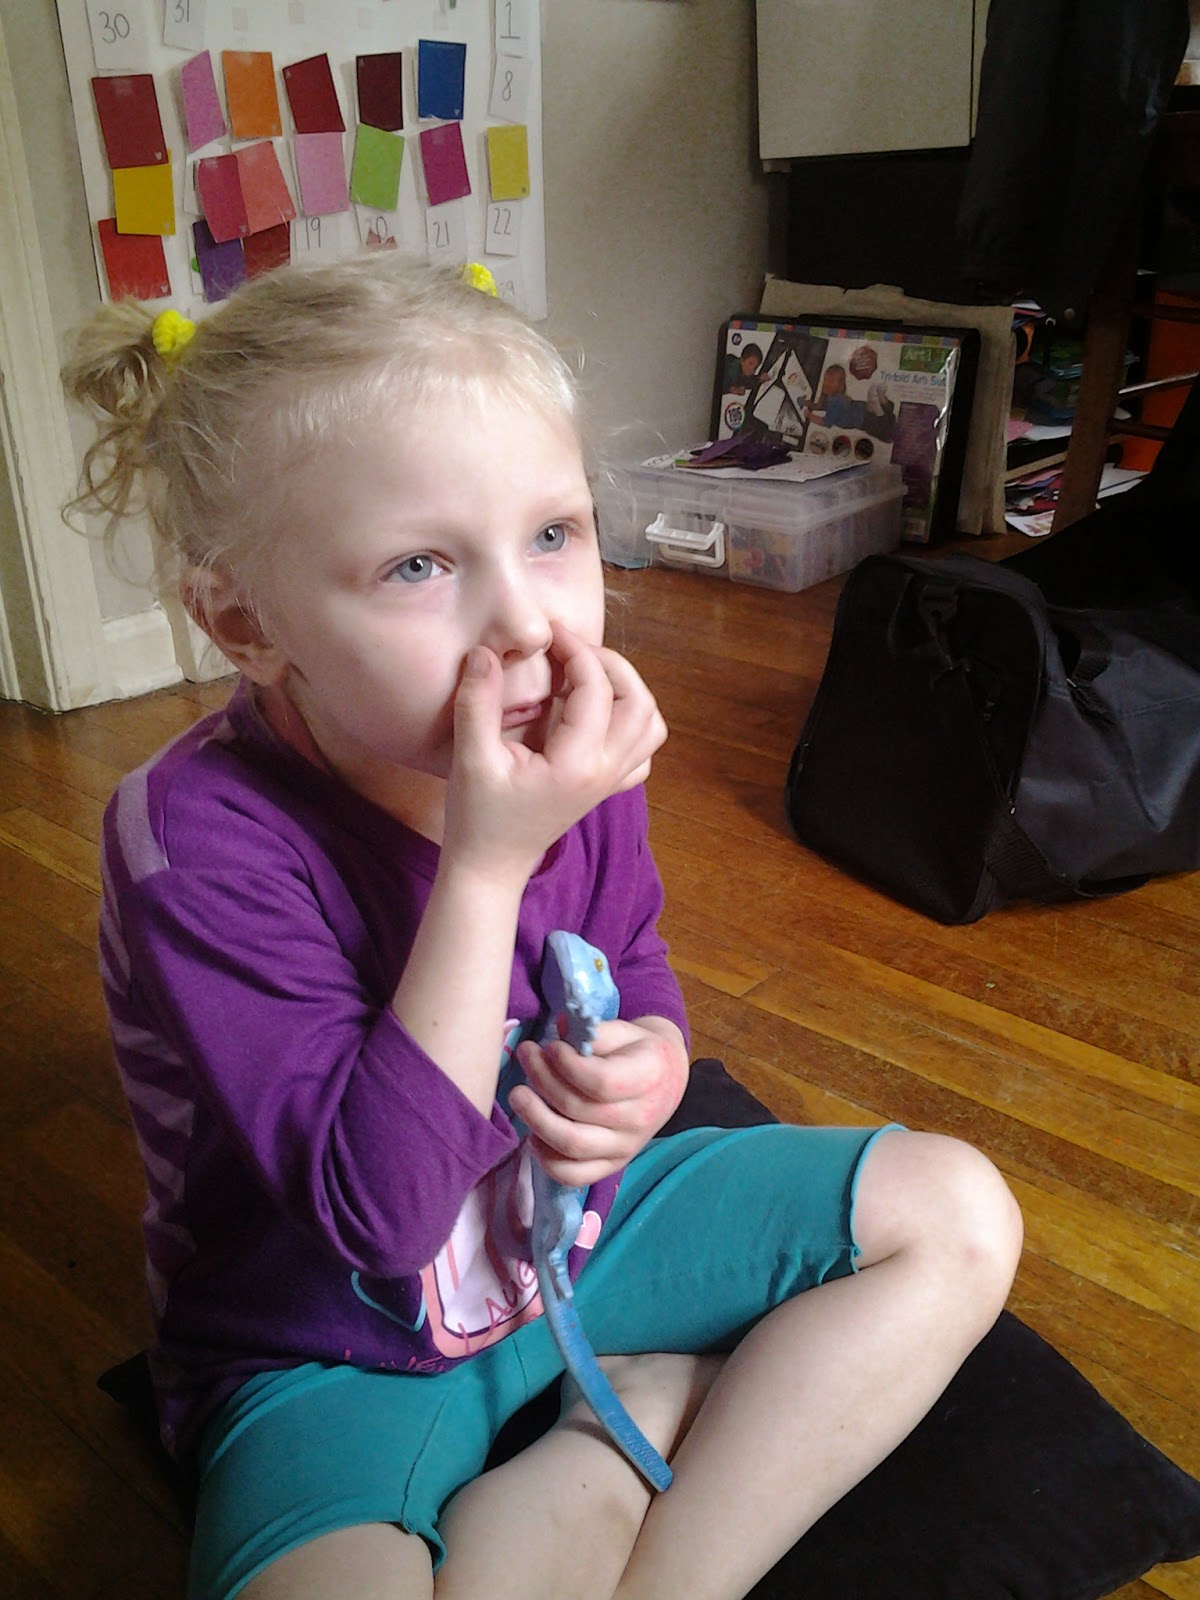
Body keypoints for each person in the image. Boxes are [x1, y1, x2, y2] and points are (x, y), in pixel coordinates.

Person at [63, 255, 1023, 1600]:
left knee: (960, 1214)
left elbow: (630, 960)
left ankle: (672, 1564)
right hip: (326, 1338)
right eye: (418, 565)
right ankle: (625, 1436)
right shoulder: (192, 842)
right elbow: (381, 1217)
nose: (525, 621)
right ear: (245, 621)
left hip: (574, 1235)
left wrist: (657, 1065)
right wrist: (487, 863)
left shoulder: (566, 736)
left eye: (555, 535)